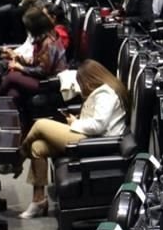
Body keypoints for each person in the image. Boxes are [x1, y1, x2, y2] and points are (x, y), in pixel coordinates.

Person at [13, 60, 127, 219]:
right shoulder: (101, 91)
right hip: (88, 136)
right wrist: (78, 119)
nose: (81, 87)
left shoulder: (106, 93)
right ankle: (38, 201)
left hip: (95, 142)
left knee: (39, 125)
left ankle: (18, 158)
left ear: (89, 79)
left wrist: (76, 122)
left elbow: (98, 126)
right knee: (38, 147)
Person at [0, 7, 67, 133]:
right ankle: (19, 131)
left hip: (50, 83)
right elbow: (36, 62)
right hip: (40, 78)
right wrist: (18, 58)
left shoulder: (49, 42)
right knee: (13, 94)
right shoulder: (42, 39)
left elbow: (43, 71)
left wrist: (20, 67)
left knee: (11, 77)